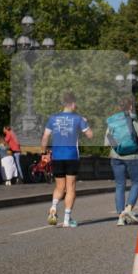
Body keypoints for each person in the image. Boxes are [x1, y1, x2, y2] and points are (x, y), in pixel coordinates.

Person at [41, 92, 93, 228]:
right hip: (71, 156)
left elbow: (45, 137)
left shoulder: (53, 118)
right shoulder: (78, 119)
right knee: (70, 188)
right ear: (73, 104)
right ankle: (66, 220)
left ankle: (53, 207)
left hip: (57, 156)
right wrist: (86, 123)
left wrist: (43, 153)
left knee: (59, 187)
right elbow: (90, 135)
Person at [105, 97, 138, 225]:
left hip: (116, 156)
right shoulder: (135, 118)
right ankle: (128, 209)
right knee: (136, 183)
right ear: (131, 106)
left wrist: (118, 148)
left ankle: (120, 215)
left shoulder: (113, 120)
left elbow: (107, 140)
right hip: (133, 157)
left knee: (119, 185)